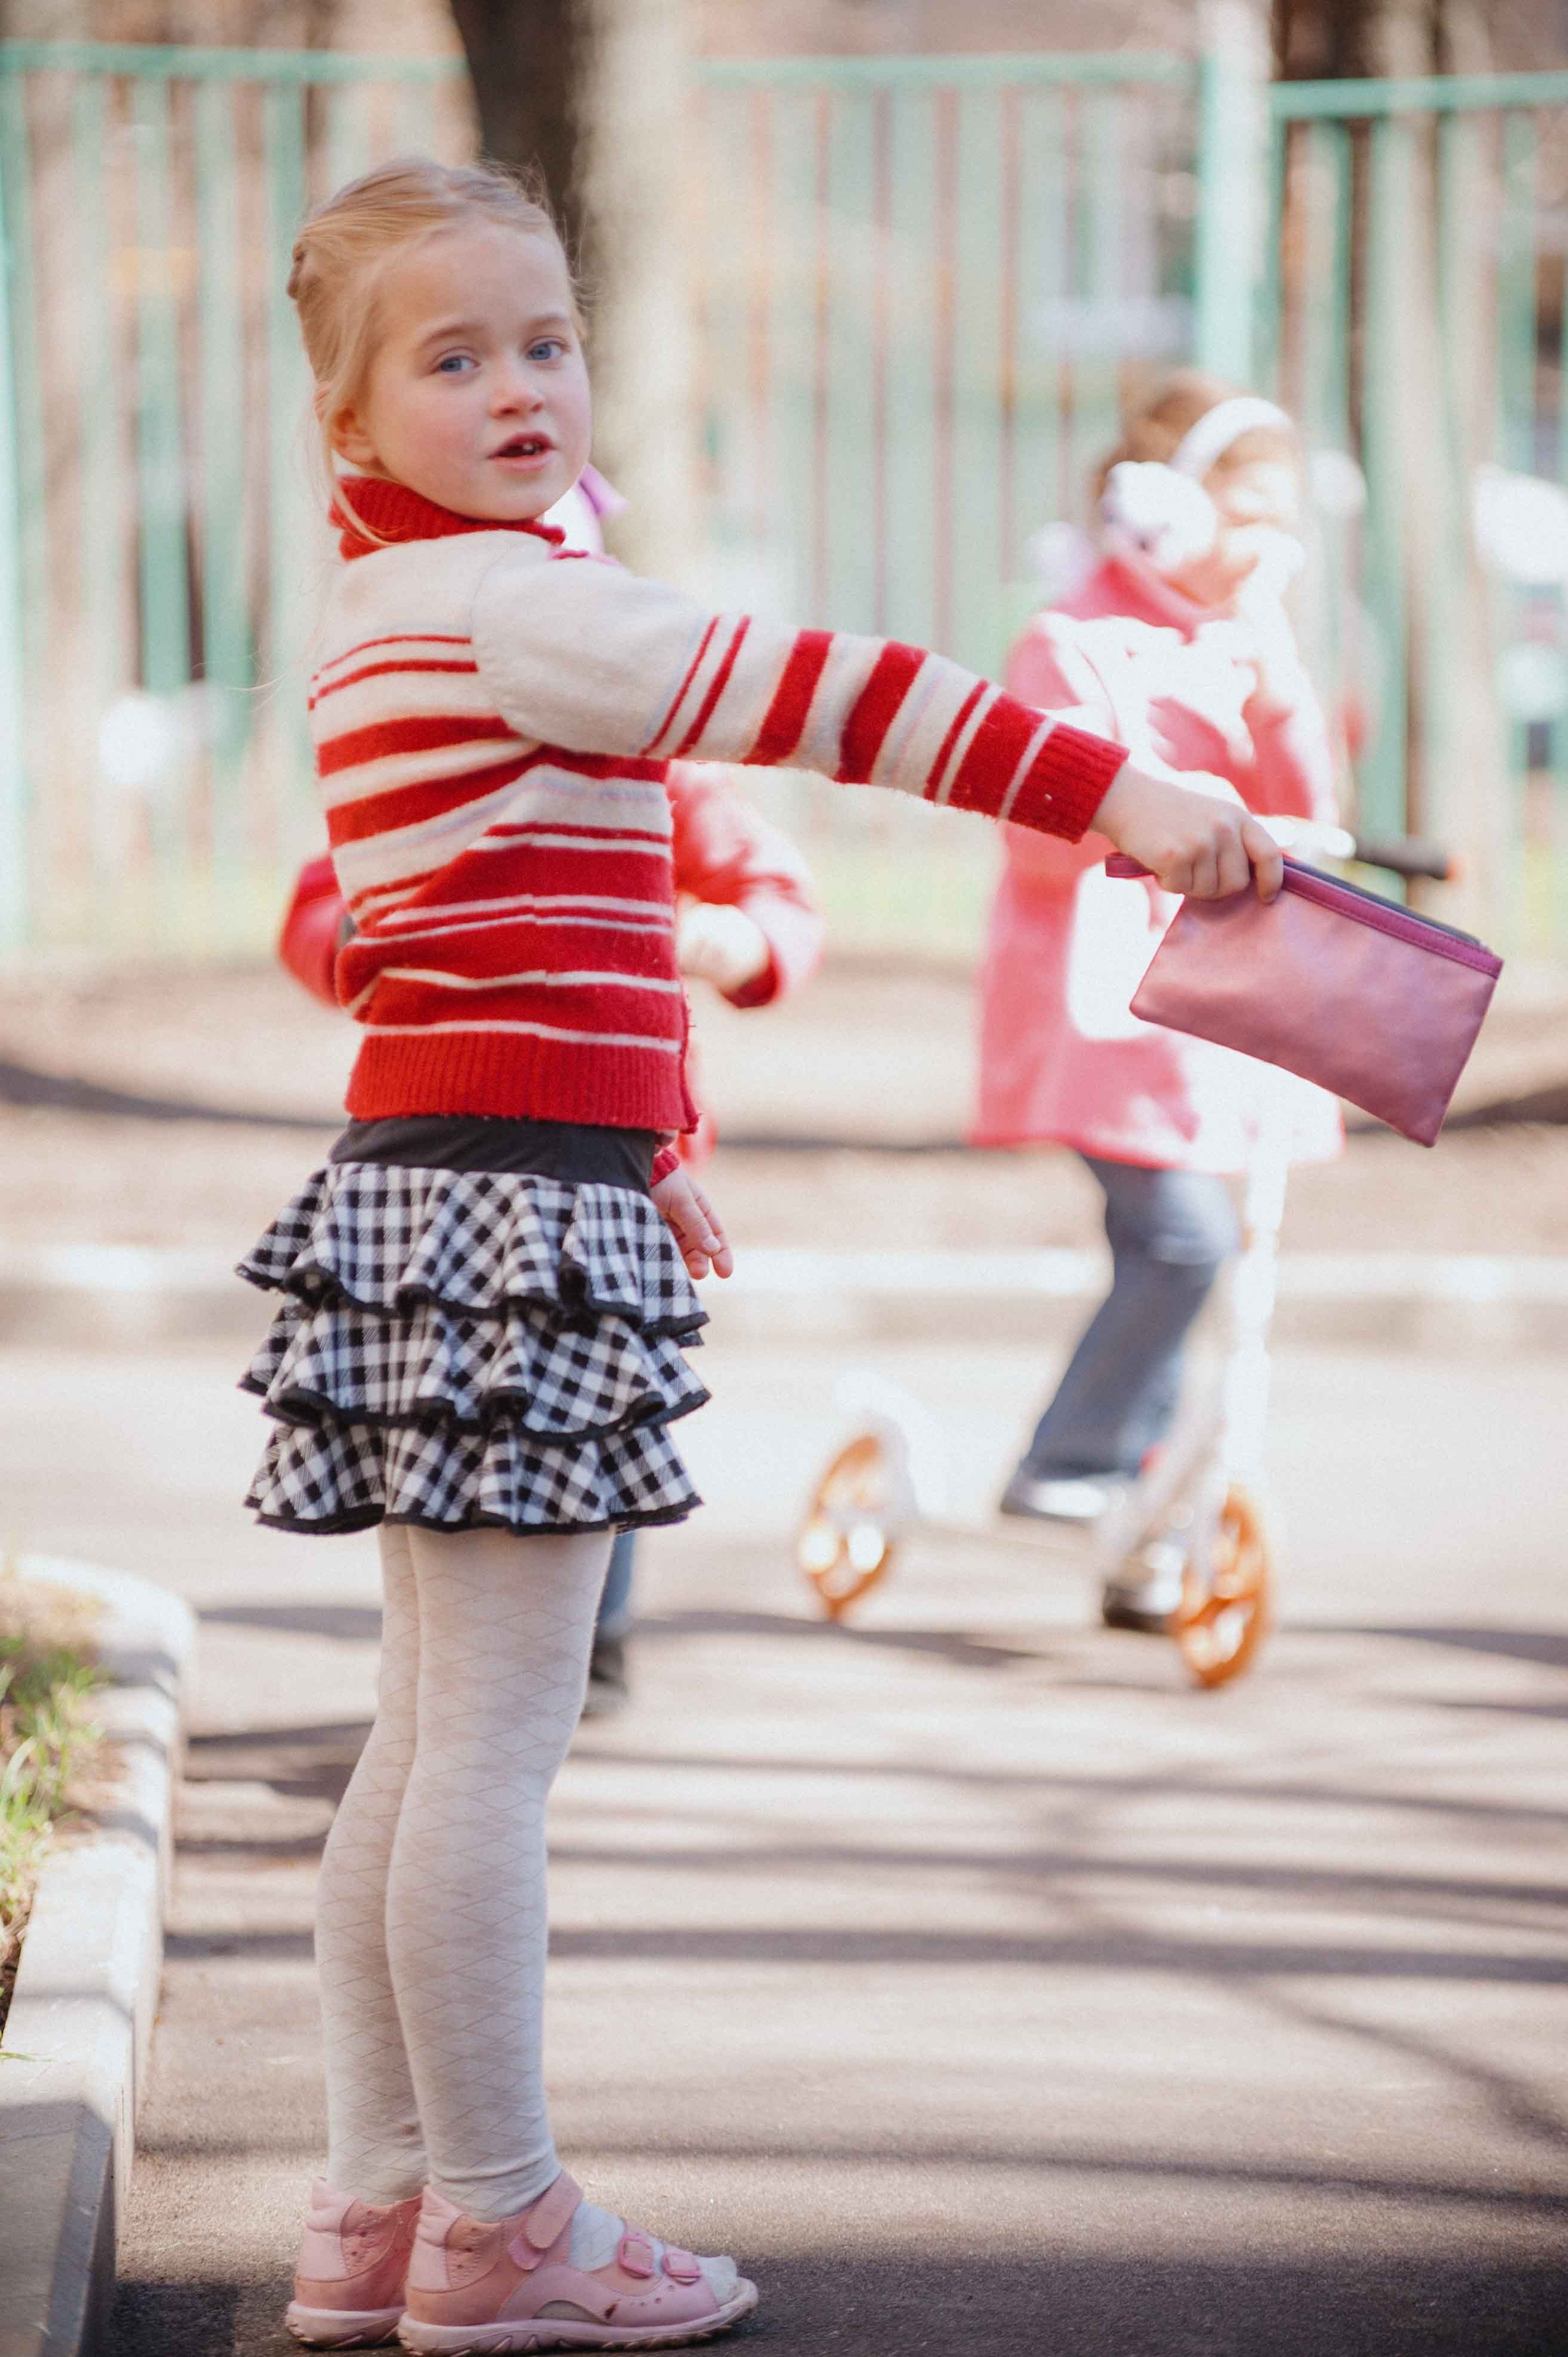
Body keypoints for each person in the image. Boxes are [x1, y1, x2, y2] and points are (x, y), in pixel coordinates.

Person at [255, 159, 1282, 2356]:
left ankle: (370, 2207)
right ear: (353, 421)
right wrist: (1118, 792)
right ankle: (503, 2222)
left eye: (547, 339)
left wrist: (662, 1132)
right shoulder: (523, 602)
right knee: (493, 1750)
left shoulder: (393, 601)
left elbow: (537, 931)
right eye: (454, 356)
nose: (522, 383)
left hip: (446, 1175)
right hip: (512, 1202)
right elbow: (837, 691)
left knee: (423, 1735)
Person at [274, 479, 827, 1720]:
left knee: (598, 1398)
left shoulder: (658, 769)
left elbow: (778, 896)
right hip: (471, 1134)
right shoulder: (422, 759)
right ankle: (473, 1643)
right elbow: (320, 903)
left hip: (624, 1156)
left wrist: (726, 940)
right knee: (464, 1398)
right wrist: (388, 940)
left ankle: (597, 1632)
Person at [975, 373, 1342, 1627]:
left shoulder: (1245, 642)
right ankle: (1067, 1461)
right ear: (1158, 507)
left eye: (1283, 516)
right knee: (1184, 1238)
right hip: (1109, 1004)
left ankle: (1134, 1509)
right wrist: (1148, 815)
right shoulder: (1068, 636)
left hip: (1222, 999)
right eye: (1243, 508)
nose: (1266, 540)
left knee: (1182, 1254)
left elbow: (1315, 804)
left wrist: (1272, 658)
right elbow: (1037, 829)